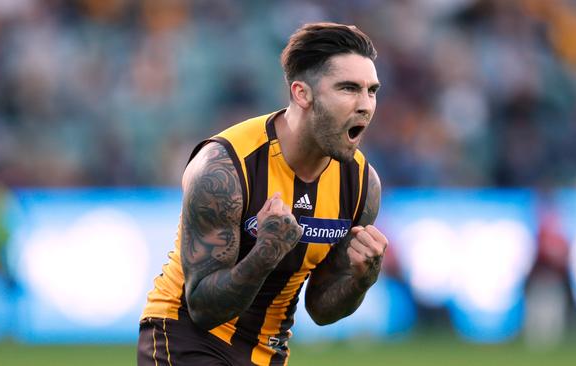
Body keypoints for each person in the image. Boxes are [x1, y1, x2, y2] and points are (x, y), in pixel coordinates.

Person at [137, 22, 388, 366]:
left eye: (371, 91)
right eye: (348, 89)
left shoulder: (361, 184)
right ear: (302, 93)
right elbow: (202, 308)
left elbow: (321, 309)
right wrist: (266, 252)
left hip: (268, 353)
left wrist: (361, 280)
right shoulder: (224, 167)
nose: (365, 105)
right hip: (185, 340)